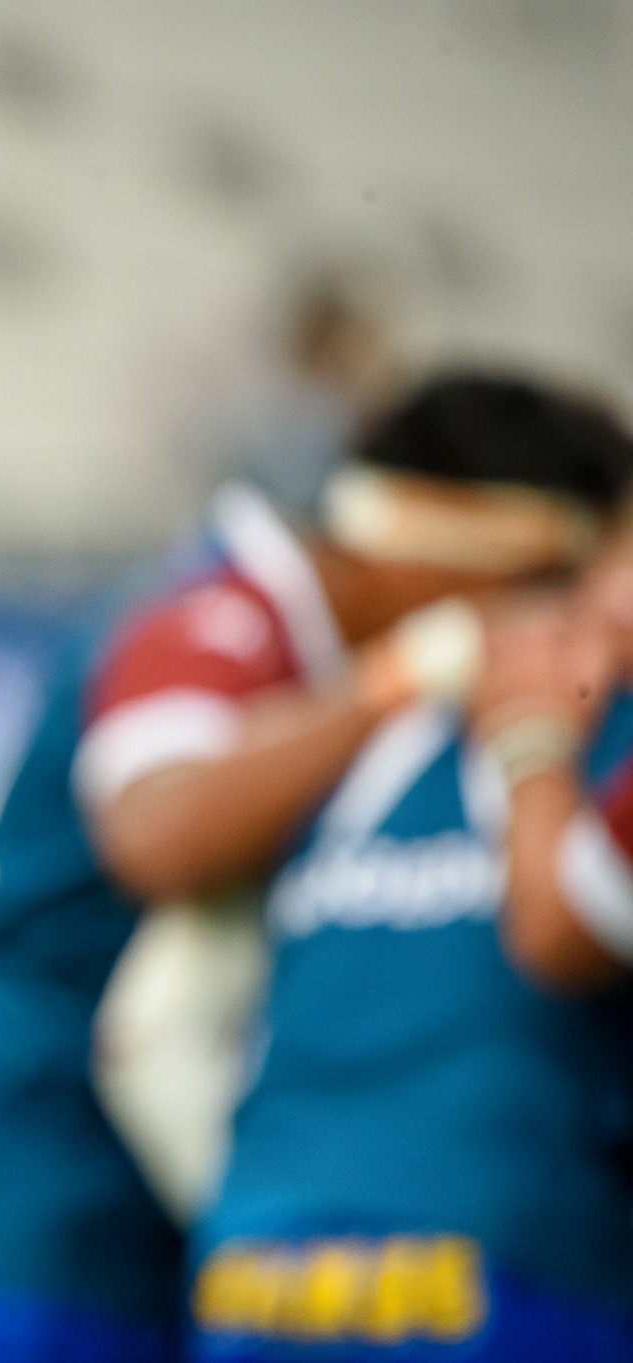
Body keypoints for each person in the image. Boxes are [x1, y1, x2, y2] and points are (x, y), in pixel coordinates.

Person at [0, 374, 615, 1363]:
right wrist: (404, 673)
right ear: (474, 555)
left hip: (19, 1216)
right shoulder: (221, 617)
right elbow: (157, 832)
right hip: (15, 1228)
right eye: (544, 593)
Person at [190, 386, 633, 1361]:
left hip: (251, 1265)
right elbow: (561, 934)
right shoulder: (601, 741)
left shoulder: (334, 752)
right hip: (506, 1263)